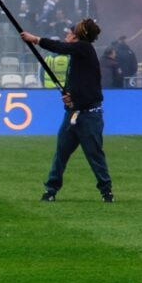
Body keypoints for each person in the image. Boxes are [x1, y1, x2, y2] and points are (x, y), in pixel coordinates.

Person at [21, 18, 112, 203]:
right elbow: (81, 84)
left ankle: (106, 191)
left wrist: (36, 39)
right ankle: (51, 190)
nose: (66, 36)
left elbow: (59, 48)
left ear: (76, 36)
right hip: (73, 114)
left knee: (94, 155)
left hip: (89, 116)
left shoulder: (84, 48)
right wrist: (70, 97)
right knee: (61, 153)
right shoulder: (79, 56)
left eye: (69, 33)